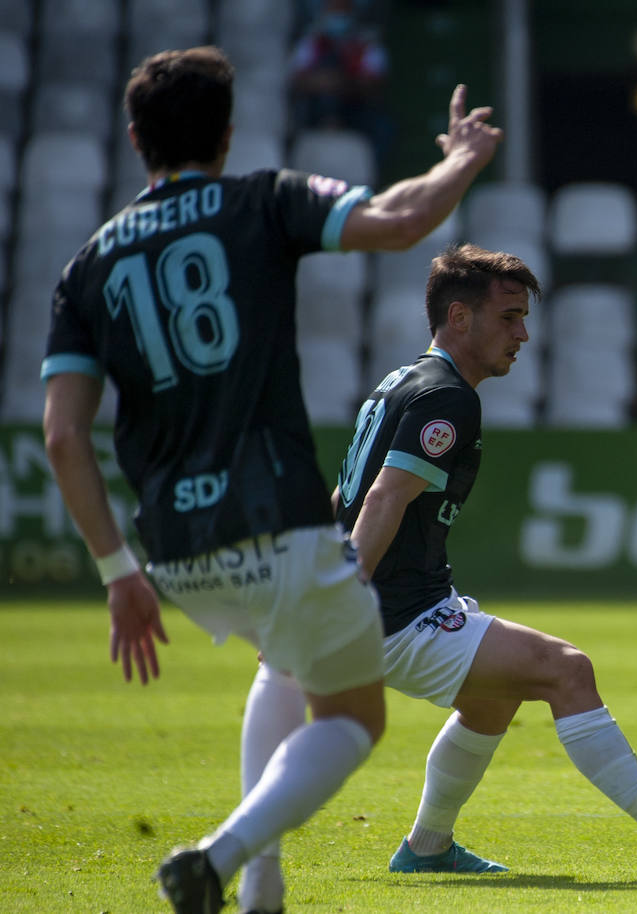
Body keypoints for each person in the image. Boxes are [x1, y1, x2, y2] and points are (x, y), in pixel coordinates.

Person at [41, 45, 503, 914]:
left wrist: (116, 573)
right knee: (352, 719)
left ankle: (263, 892)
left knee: (282, 667)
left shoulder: (87, 265)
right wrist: (464, 158)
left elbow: (64, 435)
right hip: (278, 521)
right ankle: (221, 857)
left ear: (134, 136)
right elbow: (402, 221)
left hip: (174, 551)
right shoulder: (262, 200)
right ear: (227, 133)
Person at [235, 244, 637, 899]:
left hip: (397, 602)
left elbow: (349, 495)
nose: (524, 334)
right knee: (569, 669)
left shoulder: (401, 382)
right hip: (393, 612)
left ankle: (427, 847)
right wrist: (344, 592)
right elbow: (386, 497)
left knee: (491, 699)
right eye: (508, 317)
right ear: (459, 318)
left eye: (524, 317)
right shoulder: (448, 398)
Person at [288, 0, 393, 164]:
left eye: (343, 9)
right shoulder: (312, 42)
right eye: (334, 9)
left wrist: (340, 82)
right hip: (315, 114)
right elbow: (298, 81)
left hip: (355, 113)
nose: (338, 15)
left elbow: (372, 85)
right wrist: (330, 81)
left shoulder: (366, 44)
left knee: (382, 125)